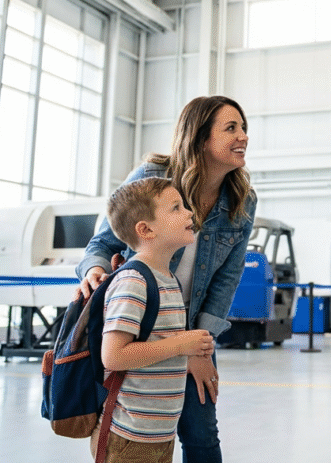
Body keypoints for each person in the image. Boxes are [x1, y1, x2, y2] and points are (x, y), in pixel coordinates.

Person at [78, 95, 257, 462]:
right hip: (137, 327)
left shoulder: (242, 200)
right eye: (231, 128)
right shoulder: (151, 178)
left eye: (244, 128)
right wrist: (94, 270)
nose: (243, 137)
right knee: (133, 430)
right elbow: (104, 241)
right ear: (201, 137)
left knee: (201, 431)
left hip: (191, 326)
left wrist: (199, 345)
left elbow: (227, 277)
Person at [96, 177, 215, 463]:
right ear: (146, 229)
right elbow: (113, 356)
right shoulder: (134, 282)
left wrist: (192, 348)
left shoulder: (169, 279)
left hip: (159, 434)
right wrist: (180, 344)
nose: (188, 212)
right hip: (130, 438)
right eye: (176, 208)